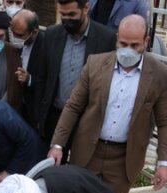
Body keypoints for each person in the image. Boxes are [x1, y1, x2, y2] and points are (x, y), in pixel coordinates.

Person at [48, 14, 167, 193]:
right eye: (123, 43)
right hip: (88, 150)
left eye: (135, 45)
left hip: (124, 157)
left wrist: (164, 163)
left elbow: (165, 121)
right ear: (116, 38)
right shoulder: (96, 64)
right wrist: (58, 144)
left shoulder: (160, 75)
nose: (127, 50)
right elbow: (73, 106)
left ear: (146, 42)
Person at [36, 0, 116, 151]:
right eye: (63, 15)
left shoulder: (107, 38)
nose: (67, 20)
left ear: (86, 8)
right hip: (54, 117)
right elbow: (42, 78)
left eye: (72, 14)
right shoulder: (52, 34)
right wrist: (40, 116)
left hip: (87, 121)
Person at [10, 9, 44, 128]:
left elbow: (49, 81)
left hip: (33, 110)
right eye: (12, 32)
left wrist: (29, 79)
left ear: (34, 32)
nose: (14, 37)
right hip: (14, 106)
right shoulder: (10, 41)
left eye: (19, 35)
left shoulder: (47, 46)